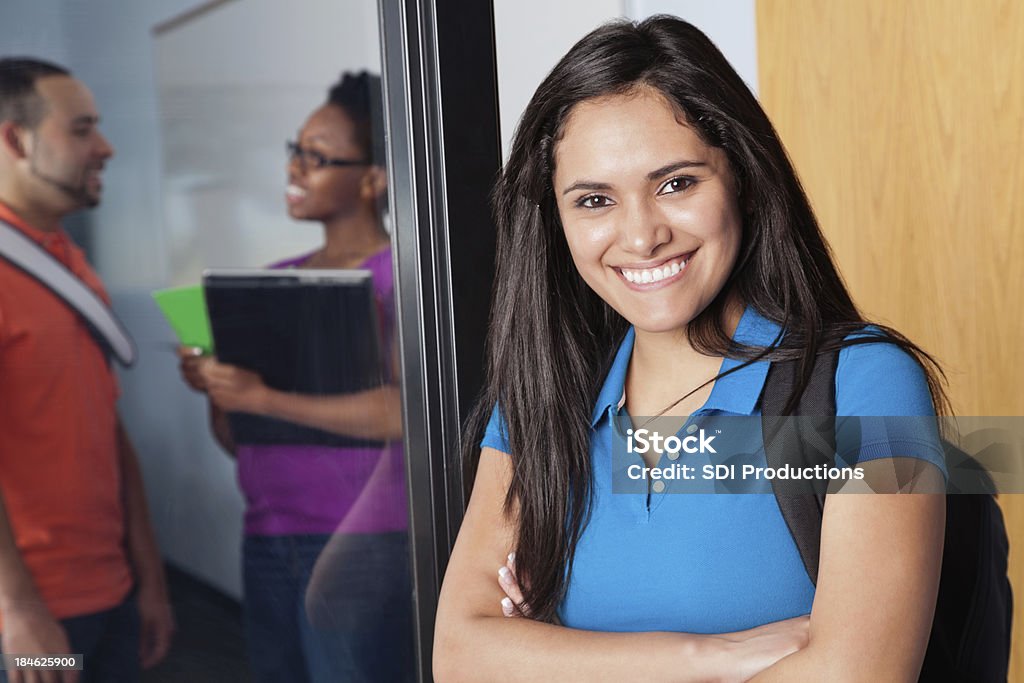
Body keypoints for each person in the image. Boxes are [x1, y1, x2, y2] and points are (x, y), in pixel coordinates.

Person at [433, 16, 948, 682]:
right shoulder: (542, 393)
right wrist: (713, 656)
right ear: (555, 221)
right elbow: (460, 655)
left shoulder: (868, 383)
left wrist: (552, 656)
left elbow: (855, 675)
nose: (642, 235)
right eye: (594, 200)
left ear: (742, 176)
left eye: (676, 184)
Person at [178, 71, 413, 683]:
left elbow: (403, 414)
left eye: (317, 156)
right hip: (265, 534)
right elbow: (239, 441)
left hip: (361, 544)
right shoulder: (273, 276)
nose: (295, 169)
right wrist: (217, 389)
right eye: (296, 151)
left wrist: (265, 396)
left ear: (372, 179)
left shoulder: (401, 277)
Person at [0, 58, 174, 682]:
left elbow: (106, 425)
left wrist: (149, 578)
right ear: (15, 140)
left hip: (110, 594)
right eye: (81, 130)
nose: (105, 147)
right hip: (31, 619)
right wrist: (16, 611)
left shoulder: (69, 262)